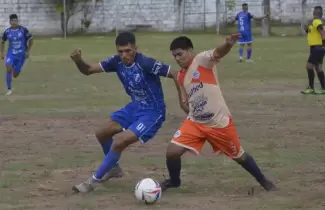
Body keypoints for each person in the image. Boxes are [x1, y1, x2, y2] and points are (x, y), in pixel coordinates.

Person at [159, 34, 276, 193]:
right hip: (195, 123)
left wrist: (227, 44)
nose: (178, 58)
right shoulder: (181, 76)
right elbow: (186, 102)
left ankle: (263, 181)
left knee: (239, 156)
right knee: (172, 152)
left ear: (190, 50)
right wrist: (188, 106)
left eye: (180, 54)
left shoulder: (201, 60)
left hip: (218, 123)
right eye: (174, 56)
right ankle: (174, 181)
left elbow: (218, 53)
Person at [70, 31, 179, 193]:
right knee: (102, 132)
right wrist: (79, 61)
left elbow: (175, 73)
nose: (124, 55)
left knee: (119, 141)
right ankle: (114, 169)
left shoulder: (146, 63)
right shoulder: (116, 62)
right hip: (134, 107)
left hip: (152, 112)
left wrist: (183, 98)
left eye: (128, 51)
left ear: (135, 48)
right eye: (120, 52)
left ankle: (91, 182)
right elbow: (88, 70)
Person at [0, 14, 33, 96]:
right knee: (8, 68)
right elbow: (2, 42)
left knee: (15, 74)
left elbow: (31, 39)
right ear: (10, 22)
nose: (14, 22)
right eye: (12, 21)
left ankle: (16, 70)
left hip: (21, 55)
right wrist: (2, 53)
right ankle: (9, 89)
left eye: (15, 20)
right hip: (11, 54)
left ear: (17, 21)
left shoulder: (23, 30)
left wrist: (28, 51)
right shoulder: (7, 31)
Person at [301, 6, 325, 95]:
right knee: (318, 67)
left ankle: (311, 88)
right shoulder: (314, 22)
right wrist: (306, 28)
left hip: (317, 47)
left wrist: (323, 44)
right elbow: (312, 32)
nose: (314, 14)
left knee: (309, 66)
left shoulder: (317, 21)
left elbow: (322, 32)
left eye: (315, 13)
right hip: (316, 47)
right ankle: (323, 88)